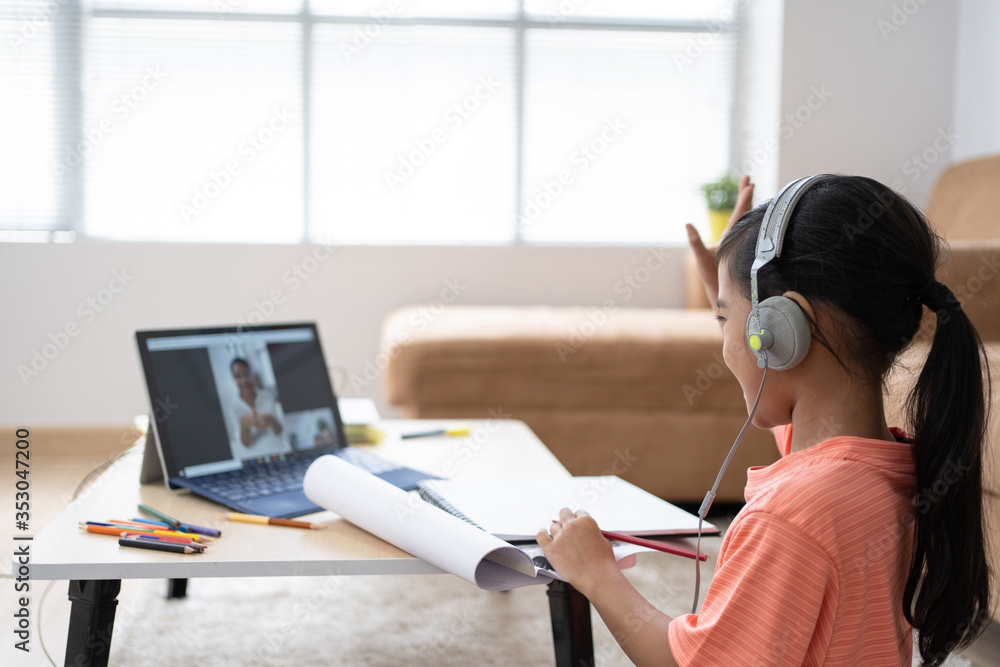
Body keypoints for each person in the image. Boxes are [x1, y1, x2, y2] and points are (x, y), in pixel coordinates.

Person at [537, 175, 991, 666]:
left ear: (779, 332)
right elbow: (810, 452)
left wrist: (596, 573)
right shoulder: (892, 468)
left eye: (726, 320)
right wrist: (730, 292)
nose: (728, 343)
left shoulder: (792, 515)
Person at [227, 357, 288, 457]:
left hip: (277, 452)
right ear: (234, 379)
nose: (244, 381)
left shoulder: (267, 396)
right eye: (238, 376)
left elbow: (280, 431)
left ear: (251, 374)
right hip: (255, 457)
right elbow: (245, 444)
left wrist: (271, 420)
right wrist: (244, 426)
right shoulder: (233, 406)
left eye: (246, 374)